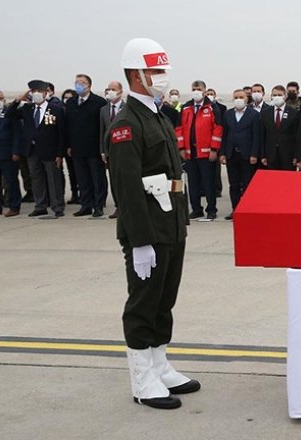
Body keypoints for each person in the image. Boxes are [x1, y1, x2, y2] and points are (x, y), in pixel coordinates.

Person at [109, 38, 199, 410]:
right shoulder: (126, 123)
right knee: (144, 303)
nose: (161, 79)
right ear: (136, 75)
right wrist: (140, 241)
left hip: (171, 222)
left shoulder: (157, 115)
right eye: (156, 72)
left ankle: (159, 365)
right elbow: (127, 190)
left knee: (165, 299)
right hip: (148, 227)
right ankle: (142, 378)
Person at [7, 80, 67, 218]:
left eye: (39, 91)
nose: (36, 94)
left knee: (53, 179)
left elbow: (61, 133)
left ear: (46, 93)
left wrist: (59, 153)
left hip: (50, 151)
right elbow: (10, 114)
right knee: (36, 178)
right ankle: (40, 206)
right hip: (32, 150)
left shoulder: (56, 109)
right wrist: (18, 100)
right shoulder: (27, 109)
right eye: (33, 92)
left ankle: (57, 206)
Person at [176, 80, 223, 221]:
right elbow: (178, 129)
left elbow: (218, 129)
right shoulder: (185, 108)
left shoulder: (212, 107)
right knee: (193, 183)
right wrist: (181, 148)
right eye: (193, 88)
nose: (196, 91)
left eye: (198, 89)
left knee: (208, 183)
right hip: (190, 152)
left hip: (207, 153)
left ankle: (211, 210)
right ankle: (196, 209)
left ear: (204, 90)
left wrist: (214, 149)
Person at [65, 74, 109, 217]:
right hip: (77, 148)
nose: (79, 85)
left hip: (94, 148)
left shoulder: (99, 102)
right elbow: (68, 126)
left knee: (97, 179)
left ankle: (98, 205)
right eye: (77, 82)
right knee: (82, 179)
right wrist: (69, 145)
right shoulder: (71, 102)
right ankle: (86, 205)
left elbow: (103, 127)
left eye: (82, 82)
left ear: (89, 85)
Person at [219, 89, 261, 220]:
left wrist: (254, 154)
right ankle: (235, 209)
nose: (238, 99)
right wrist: (222, 153)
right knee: (234, 184)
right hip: (231, 155)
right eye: (236, 97)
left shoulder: (253, 114)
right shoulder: (228, 114)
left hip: (247, 155)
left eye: (241, 97)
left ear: (246, 99)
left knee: (248, 184)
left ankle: (248, 209)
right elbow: (224, 135)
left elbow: (256, 136)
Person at [0, 89, 22, 217]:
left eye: (0, 98)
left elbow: (17, 134)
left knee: (11, 181)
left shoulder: (9, 114)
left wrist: (16, 151)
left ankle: (14, 206)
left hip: (7, 153)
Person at [100, 81, 125, 219]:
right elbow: (102, 132)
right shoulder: (103, 110)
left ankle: (127, 205)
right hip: (110, 152)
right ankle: (118, 207)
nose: (110, 91)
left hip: (125, 151)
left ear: (120, 91)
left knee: (125, 180)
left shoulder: (127, 108)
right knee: (114, 181)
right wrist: (102, 150)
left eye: (113, 89)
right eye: (108, 89)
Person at [261, 85, 300, 170]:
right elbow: (263, 135)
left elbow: (297, 136)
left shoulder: (294, 113)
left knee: (288, 180)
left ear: (285, 96)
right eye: (274, 95)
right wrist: (263, 155)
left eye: (279, 95)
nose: (276, 97)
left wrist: (296, 156)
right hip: (271, 154)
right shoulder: (265, 113)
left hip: (288, 155)